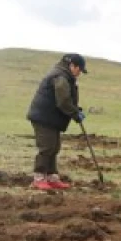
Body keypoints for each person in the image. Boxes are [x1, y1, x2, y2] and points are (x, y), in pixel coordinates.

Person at [25, 53, 87, 190]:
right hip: (43, 118)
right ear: (72, 66)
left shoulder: (64, 76)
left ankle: (52, 177)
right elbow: (63, 101)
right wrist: (75, 113)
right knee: (47, 147)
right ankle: (39, 178)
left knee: (54, 147)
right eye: (79, 70)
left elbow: (65, 99)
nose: (79, 73)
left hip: (50, 118)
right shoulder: (60, 77)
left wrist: (76, 109)